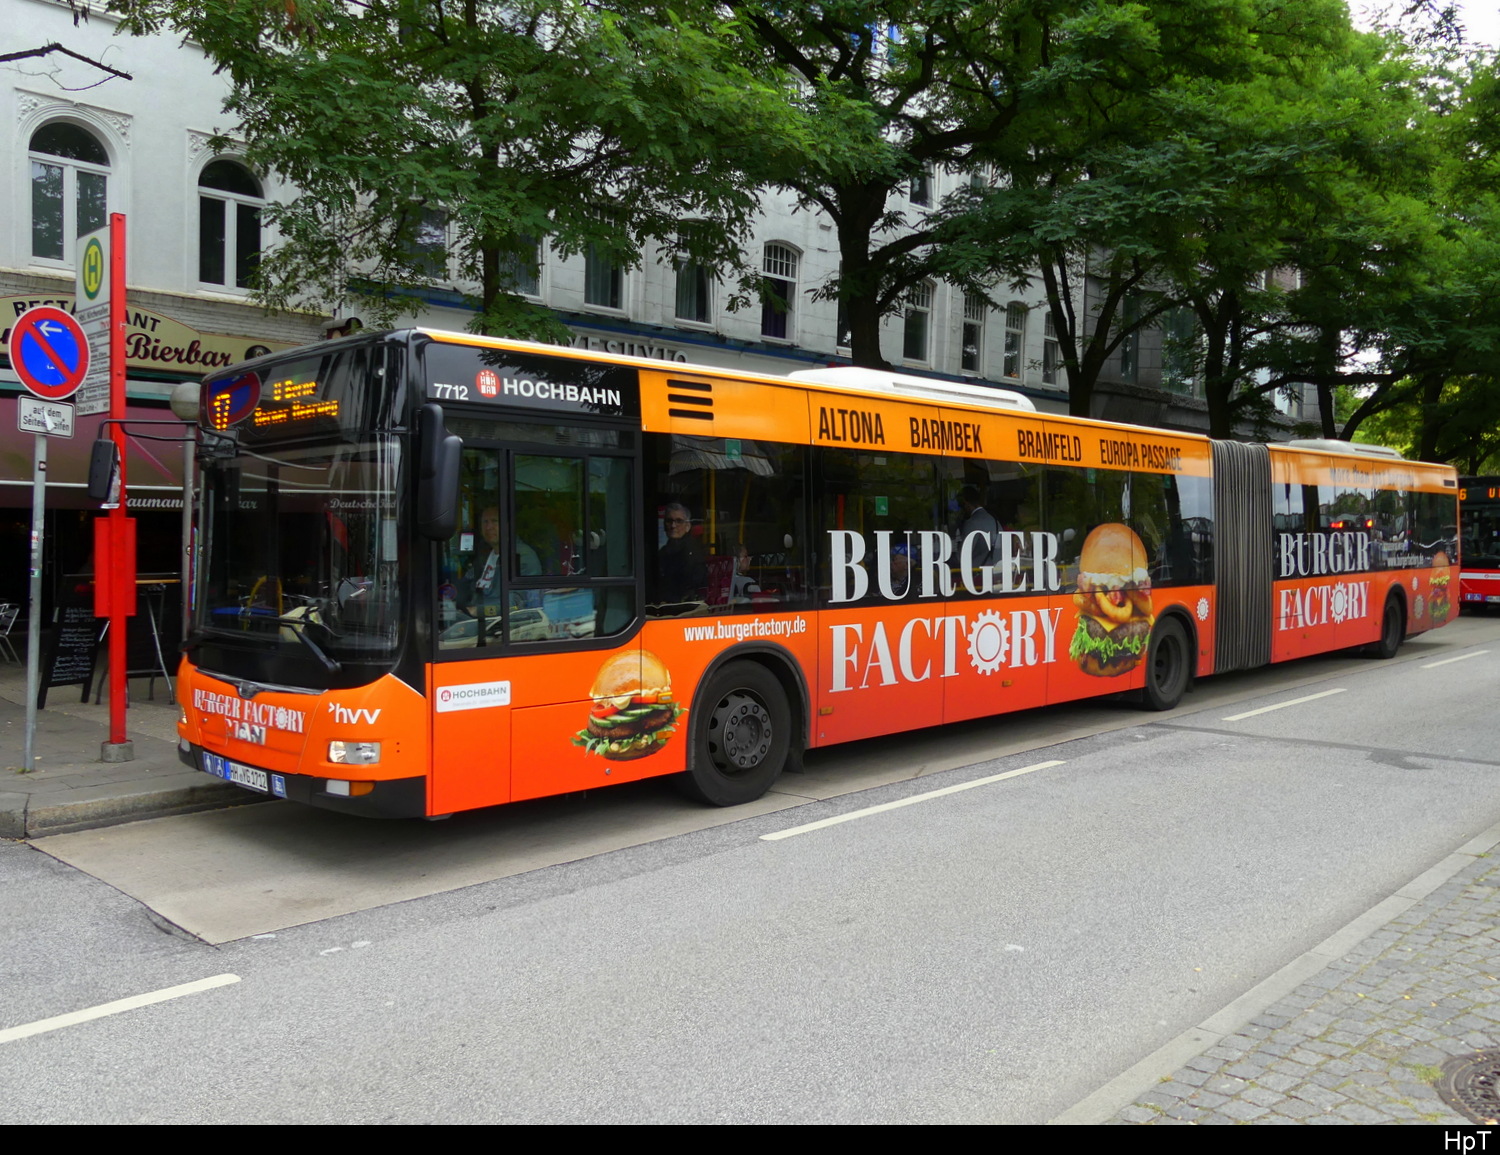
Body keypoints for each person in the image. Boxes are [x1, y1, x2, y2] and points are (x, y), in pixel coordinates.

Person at [460, 505, 541, 616]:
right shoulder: (485, 555)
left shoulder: (522, 556)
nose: (489, 527)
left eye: (494, 521)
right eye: (485, 522)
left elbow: (516, 603)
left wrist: (477, 611)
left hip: (505, 624)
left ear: (507, 526)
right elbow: (466, 582)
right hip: (475, 619)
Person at [657, 502, 707, 602]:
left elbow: (692, 583)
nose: (673, 525)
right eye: (669, 521)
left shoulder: (692, 550)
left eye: (679, 521)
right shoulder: (665, 551)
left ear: (688, 526)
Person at [955, 484, 1003, 566]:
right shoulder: (995, 521)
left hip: (978, 573)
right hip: (996, 570)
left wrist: (958, 541)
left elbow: (962, 556)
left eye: (960, 505)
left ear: (966, 503)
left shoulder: (972, 523)